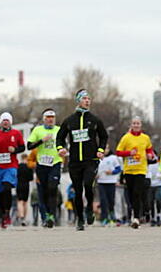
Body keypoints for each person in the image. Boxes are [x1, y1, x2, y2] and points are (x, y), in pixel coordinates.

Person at [56, 89, 108, 231]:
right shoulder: (69, 121)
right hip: (74, 161)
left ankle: (89, 210)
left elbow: (104, 136)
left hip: (90, 160)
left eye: (89, 99)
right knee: (77, 191)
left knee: (88, 185)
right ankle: (80, 218)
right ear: (78, 100)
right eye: (84, 98)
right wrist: (60, 148)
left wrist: (101, 150)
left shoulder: (95, 120)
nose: (87, 101)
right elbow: (59, 137)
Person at [0, 113, 25, 229]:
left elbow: (23, 147)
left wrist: (15, 150)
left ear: (11, 122)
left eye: (7, 120)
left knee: (7, 186)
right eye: (3, 120)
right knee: (1, 192)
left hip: (10, 166)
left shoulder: (16, 134)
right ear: (0, 122)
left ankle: (7, 213)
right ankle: (3, 214)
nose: (5, 122)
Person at [116, 117, 155, 229]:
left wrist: (150, 155)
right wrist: (129, 153)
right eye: (134, 123)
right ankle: (133, 212)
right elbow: (118, 152)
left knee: (137, 193)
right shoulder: (126, 138)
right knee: (131, 193)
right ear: (131, 125)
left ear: (141, 125)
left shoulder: (145, 138)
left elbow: (149, 149)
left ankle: (136, 218)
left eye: (138, 123)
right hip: (128, 170)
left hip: (141, 169)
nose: (136, 125)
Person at [27, 109, 62, 228]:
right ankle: (46, 215)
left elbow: (64, 144)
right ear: (44, 119)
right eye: (48, 117)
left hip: (55, 163)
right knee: (44, 191)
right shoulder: (37, 130)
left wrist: (63, 150)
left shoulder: (59, 130)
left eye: (53, 117)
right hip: (41, 164)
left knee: (53, 188)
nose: (51, 119)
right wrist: (42, 140)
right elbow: (29, 146)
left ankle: (52, 215)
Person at [97, 146, 121, 226]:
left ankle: (112, 215)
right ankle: (104, 218)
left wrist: (112, 172)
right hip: (101, 182)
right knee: (103, 201)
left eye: (106, 148)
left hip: (111, 182)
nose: (105, 150)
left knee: (111, 200)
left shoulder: (113, 158)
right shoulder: (98, 158)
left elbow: (118, 169)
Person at [16, 154, 33, 226]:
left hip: (19, 184)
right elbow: (31, 178)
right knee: (25, 202)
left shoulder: (18, 167)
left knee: (20, 201)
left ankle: (21, 216)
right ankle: (24, 219)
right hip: (26, 185)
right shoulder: (29, 167)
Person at [147, 153, 161, 226]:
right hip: (150, 185)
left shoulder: (159, 163)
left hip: (158, 184)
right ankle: (152, 218)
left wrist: (159, 175)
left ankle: (159, 216)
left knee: (158, 200)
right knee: (150, 201)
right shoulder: (146, 164)